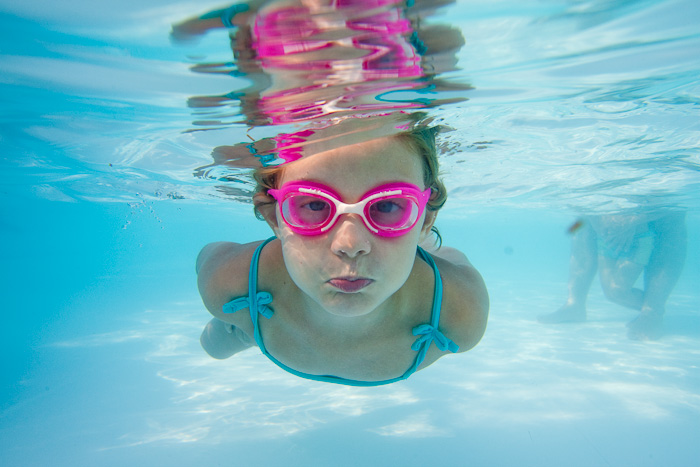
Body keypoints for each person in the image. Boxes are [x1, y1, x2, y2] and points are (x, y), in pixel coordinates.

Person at [195, 120, 489, 386]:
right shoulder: (229, 284)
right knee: (213, 347)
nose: (349, 244)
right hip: (260, 321)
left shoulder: (459, 311)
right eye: (314, 205)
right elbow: (208, 256)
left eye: (387, 206)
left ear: (426, 217)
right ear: (275, 218)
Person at [538, 212, 687, 340]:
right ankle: (574, 304)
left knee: (671, 219)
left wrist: (631, 220)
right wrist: (603, 225)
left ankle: (653, 311)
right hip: (608, 223)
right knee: (583, 219)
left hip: (651, 208)